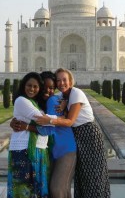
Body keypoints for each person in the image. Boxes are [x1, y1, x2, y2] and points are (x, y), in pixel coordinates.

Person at [35, 68, 111, 198]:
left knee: (94, 176)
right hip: (77, 137)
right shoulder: (62, 97)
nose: (61, 83)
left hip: (89, 135)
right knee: (83, 178)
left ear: (70, 81)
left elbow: (69, 121)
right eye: (58, 80)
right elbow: (55, 103)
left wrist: (49, 120)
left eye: (64, 79)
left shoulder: (76, 93)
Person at [11, 71, 76, 198]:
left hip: (63, 148)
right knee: (59, 189)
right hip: (49, 150)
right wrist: (15, 122)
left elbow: (49, 128)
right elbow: (31, 115)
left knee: (57, 189)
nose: (48, 91)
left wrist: (27, 127)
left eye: (51, 88)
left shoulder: (53, 100)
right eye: (44, 87)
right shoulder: (39, 103)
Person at [7, 72, 56, 198]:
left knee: (36, 190)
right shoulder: (23, 101)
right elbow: (46, 124)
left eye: (36, 86)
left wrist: (28, 127)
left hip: (40, 150)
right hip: (25, 151)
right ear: (24, 85)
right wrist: (62, 119)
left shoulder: (37, 103)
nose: (32, 89)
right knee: (23, 190)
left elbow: (46, 124)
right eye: (29, 85)